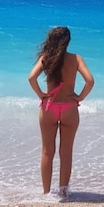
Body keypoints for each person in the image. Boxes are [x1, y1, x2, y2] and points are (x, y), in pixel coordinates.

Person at [28, 26, 94, 197]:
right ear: (67, 41)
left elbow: (31, 78)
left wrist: (41, 94)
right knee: (66, 152)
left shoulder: (46, 59)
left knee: (47, 151)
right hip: (69, 109)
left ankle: (46, 193)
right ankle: (63, 192)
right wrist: (80, 98)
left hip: (49, 107)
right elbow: (90, 81)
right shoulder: (76, 59)